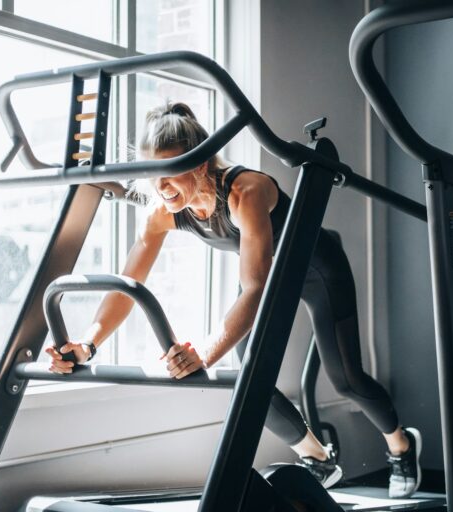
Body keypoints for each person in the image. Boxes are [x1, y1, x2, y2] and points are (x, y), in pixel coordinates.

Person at [45, 102, 423, 499]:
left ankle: (402, 445)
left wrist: (203, 355)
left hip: (318, 270)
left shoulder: (245, 191)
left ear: (201, 163)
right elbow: (127, 285)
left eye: (171, 171)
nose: (162, 187)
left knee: (346, 378)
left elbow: (256, 289)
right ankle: (318, 458)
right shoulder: (162, 211)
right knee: (250, 375)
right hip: (267, 273)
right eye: (153, 175)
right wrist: (87, 345)